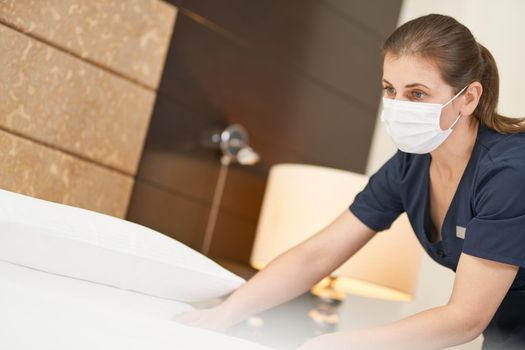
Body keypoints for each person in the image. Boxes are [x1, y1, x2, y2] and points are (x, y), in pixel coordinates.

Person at [175, 14, 525, 350]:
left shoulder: (509, 173)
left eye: (417, 93)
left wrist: (345, 342)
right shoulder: (412, 165)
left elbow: (465, 318)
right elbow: (317, 255)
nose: (398, 105)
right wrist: (223, 314)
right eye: (390, 89)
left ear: (468, 97)